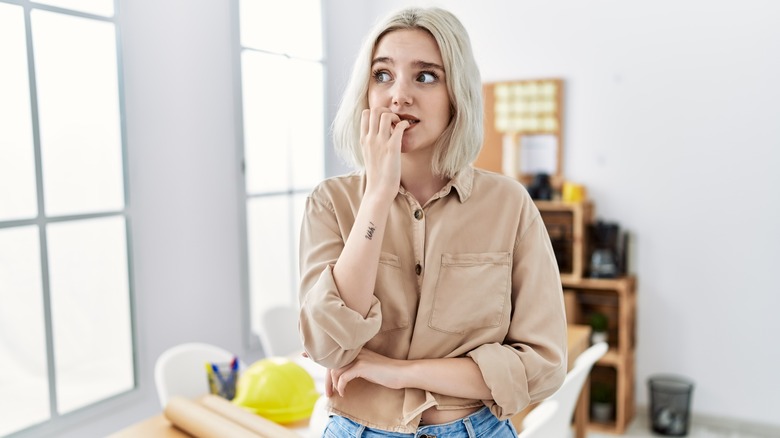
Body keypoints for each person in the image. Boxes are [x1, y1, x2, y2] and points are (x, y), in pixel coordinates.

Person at [298, 6, 567, 437]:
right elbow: (328, 345)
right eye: (382, 75)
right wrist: (377, 198)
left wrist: (399, 372)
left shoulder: (510, 205)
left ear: (456, 93)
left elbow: (543, 367)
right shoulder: (330, 203)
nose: (398, 96)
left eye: (425, 76)